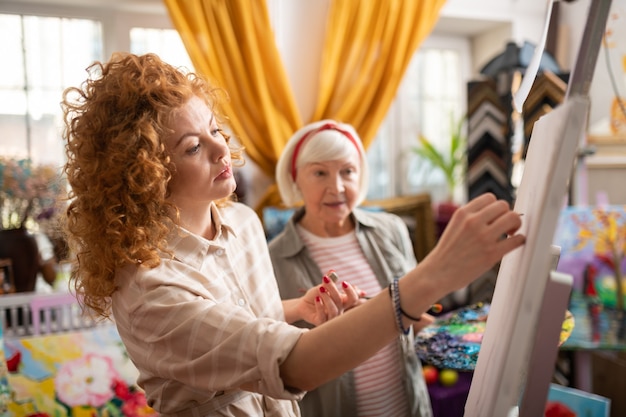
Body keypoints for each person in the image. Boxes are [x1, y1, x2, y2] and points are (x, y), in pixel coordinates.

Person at [60, 52, 525, 417]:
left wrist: (294, 309)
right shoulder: (149, 291)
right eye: (193, 146)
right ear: (146, 174)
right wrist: (436, 274)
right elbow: (290, 362)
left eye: (215, 129)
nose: (224, 148)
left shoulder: (242, 223)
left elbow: (232, 321)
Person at [269, 120, 433, 417]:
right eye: (320, 173)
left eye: (348, 171)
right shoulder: (272, 258)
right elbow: (275, 356)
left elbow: (417, 316)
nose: (337, 187)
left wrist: (462, 335)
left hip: (406, 404)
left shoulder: (392, 231)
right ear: (296, 180)